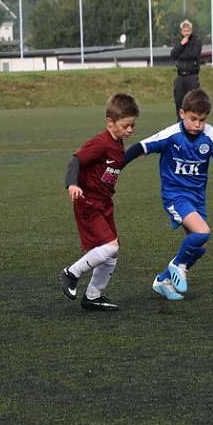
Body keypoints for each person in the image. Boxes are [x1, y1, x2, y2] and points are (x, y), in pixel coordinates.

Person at [123, 88, 213, 301]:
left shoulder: (210, 135)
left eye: (202, 120)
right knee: (202, 232)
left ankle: (163, 280)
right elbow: (140, 147)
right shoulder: (171, 135)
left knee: (200, 246)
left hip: (197, 198)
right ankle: (177, 265)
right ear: (182, 113)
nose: (197, 125)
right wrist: (116, 166)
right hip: (175, 196)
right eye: (193, 119)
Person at [60, 93, 141, 311]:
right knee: (109, 246)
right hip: (88, 202)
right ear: (110, 122)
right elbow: (75, 161)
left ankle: (93, 296)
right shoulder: (100, 143)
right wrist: (72, 185)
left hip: (104, 203)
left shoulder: (118, 143)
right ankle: (71, 273)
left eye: (132, 126)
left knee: (112, 252)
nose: (130, 130)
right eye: (126, 126)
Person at [170, 19, 203, 119]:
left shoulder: (196, 41)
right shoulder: (179, 42)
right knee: (179, 101)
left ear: (191, 30)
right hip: (180, 75)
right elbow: (173, 54)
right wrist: (181, 45)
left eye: (188, 31)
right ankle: (180, 121)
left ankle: (194, 119)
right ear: (181, 31)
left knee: (193, 100)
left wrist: (181, 54)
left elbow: (193, 54)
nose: (186, 33)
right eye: (184, 31)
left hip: (192, 75)